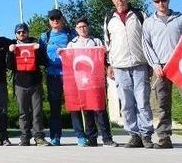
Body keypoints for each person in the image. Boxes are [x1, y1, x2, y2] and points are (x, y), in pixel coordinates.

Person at [104, 0, 154, 148]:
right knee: (126, 103)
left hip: (140, 63)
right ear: (112, 0)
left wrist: (151, 62)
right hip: (119, 65)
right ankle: (134, 135)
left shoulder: (140, 15)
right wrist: (109, 65)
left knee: (142, 101)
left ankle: (146, 135)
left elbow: (149, 39)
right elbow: (107, 44)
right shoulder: (108, 19)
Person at [65, 17, 118, 147]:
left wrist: (105, 54)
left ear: (88, 27)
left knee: (100, 110)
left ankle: (107, 138)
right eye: (79, 27)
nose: (82, 29)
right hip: (81, 83)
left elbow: (105, 60)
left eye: (84, 26)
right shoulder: (72, 44)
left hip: (96, 82)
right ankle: (92, 138)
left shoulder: (96, 41)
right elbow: (68, 61)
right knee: (87, 110)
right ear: (76, 29)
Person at [141, 0, 182, 149]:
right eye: (157, 1)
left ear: (169, 0)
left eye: (163, 0)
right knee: (161, 104)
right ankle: (164, 138)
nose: (161, 3)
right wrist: (155, 64)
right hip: (160, 68)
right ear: (153, 3)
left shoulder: (179, 19)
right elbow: (146, 45)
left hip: (179, 65)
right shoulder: (149, 22)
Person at [8, 22, 50, 146]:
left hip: (35, 83)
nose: (22, 34)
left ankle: (39, 137)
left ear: (27, 32)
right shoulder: (13, 46)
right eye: (19, 32)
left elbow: (43, 62)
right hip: (20, 84)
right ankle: (25, 137)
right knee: (23, 112)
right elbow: (9, 66)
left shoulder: (35, 44)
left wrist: (39, 51)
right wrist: (11, 52)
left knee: (37, 112)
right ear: (16, 34)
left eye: (24, 31)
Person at [38, 8, 74, 146]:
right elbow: (40, 56)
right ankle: (55, 137)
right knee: (55, 107)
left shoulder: (70, 34)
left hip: (70, 75)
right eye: (52, 18)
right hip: (53, 76)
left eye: (57, 18)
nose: (55, 20)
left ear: (62, 19)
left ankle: (82, 135)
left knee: (75, 106)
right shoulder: (44, 36)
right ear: (49, 21)